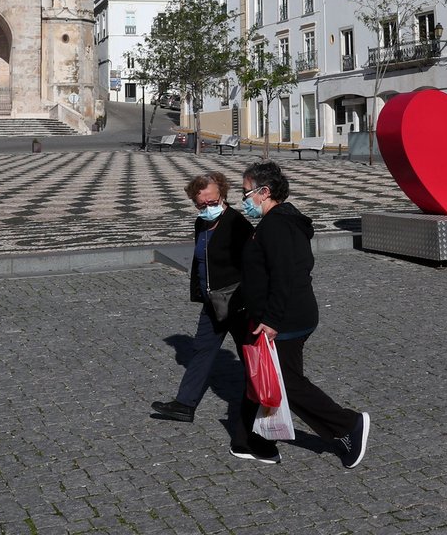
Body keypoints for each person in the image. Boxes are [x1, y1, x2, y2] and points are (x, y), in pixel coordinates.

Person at [238, 160, 370, 468]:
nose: (244, 200)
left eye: (246, 193)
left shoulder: (277, 226)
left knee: (288, 384)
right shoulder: (283, 220)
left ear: (264, 191)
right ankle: (253, 438)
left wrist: (270, 319)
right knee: (281, 381)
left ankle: (347, 425)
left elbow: (285, 277)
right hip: (290, 316)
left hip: (286, 320)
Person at [152, 172, 254, 424]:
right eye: (201, 204)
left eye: (212, 202)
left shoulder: (237, 224)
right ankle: (184, 405)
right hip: (213, 301)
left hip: (237, 301)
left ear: (222, 194)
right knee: (202, 350)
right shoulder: (202, 223)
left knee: (250, 354)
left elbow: (252, 265)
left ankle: (266, 400)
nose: (208, 207)